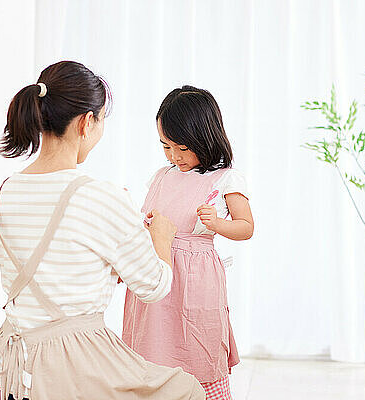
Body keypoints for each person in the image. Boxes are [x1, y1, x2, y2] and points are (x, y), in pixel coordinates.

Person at [0, 61, 205, 400]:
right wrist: (160, 238)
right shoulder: (98, 196)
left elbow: (48, 269)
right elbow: (154, 286)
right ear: (87, 122)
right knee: (186, 390)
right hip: (70, 368)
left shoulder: (2, 194)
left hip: (7, 371)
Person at [122, 85, 254, 400]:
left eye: (181, 147)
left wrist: (218, 224)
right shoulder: (161, 176)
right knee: (151, 345)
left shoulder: (225, 180)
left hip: (195, 280)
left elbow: (246, 227)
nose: (173, 156)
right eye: (165, 146)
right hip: (155, 270)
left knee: (197, 347)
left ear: (204, 139)